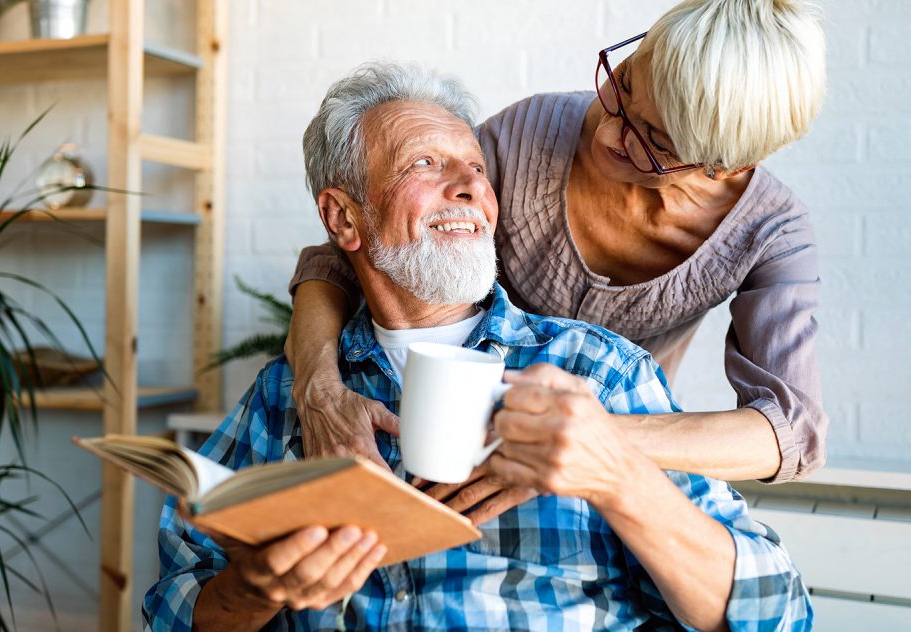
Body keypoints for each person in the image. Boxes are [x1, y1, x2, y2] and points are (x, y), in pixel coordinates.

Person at [143, 62, 812, 632]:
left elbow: (780, 610)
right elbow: (174, 611)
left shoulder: (599, 373)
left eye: (475, 167)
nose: (467, 185)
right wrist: (255, 590)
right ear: (344, 216)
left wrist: (618, 476)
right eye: (424, 164)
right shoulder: (289, 398)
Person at [285, 0, 829, 503]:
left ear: (726, 167)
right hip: (456, 428)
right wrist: (317, 385)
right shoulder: (527, 137)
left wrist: (578, 440)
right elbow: (356, 242)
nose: (609, 131)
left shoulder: (771, 232)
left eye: (654, 142)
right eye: (623, 84)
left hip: (616, 457)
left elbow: (790, 433)